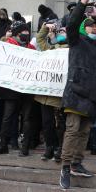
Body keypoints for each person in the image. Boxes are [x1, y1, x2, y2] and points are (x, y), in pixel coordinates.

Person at [59, 0, 96, 189]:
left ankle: (77, 163)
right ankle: (64, 167)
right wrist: (82, 3)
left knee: (84, 132)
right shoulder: (76, 42)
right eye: (90, 27)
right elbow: (72, 24)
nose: (94, 29)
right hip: (75, 94)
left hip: (92, 98)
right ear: (83, 29)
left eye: (95, 28)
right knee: (72, 130)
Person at [0, 20, 36, 157]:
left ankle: (25, 147)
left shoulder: (32, 49)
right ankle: (3, 145)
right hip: (11, 90)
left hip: (27, 89)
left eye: (28, 33)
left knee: (27, 118)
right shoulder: (7, 46)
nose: (26, 35)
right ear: (16, 34)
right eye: (23, 33)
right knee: (7, 117)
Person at [35, 23, 68, 162]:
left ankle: (60, 148)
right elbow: (40, 40)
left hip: (59, 97)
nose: (61, 33)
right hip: (45, 96)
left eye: (64, 32)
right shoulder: (50, 49)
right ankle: (49, 147)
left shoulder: (71, 50)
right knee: (47, 123)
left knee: (61, 124)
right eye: (59, 31)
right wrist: (45, 27)